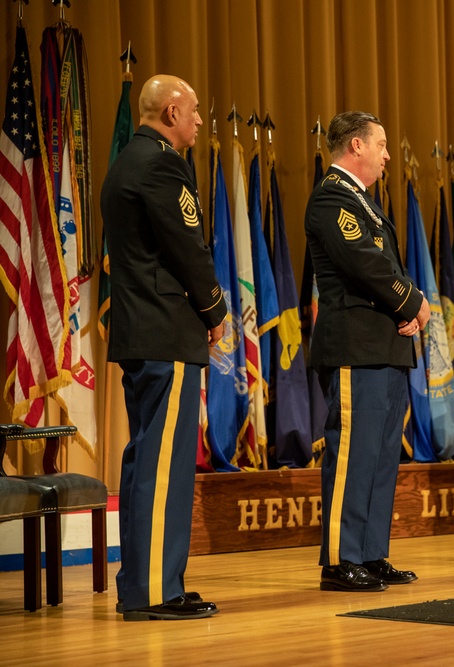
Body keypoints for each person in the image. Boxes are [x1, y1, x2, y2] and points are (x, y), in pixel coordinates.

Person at [102, 74, 226, 620]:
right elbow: (189, 249)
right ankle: (155, 592)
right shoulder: (162, 164)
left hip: (140, 333)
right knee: (162, 465)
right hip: (166, 331)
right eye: (194, 111)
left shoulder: (126, 161)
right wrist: (217, 312)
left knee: (144, 462)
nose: (199, 120)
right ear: (172, 111)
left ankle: (148, 583)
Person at [305, 111, 430, 592]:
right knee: (353, 455)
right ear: (355, 146)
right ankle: (341, 559)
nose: (387, 154)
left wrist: (404, 310)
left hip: (384, 344)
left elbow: (381, 264)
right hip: (356, 346)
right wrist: (413, 301)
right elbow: (365, 264)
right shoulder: (332, 197)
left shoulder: (365, 202)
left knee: (379, 458)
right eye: (380, 144)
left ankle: (371, 552)